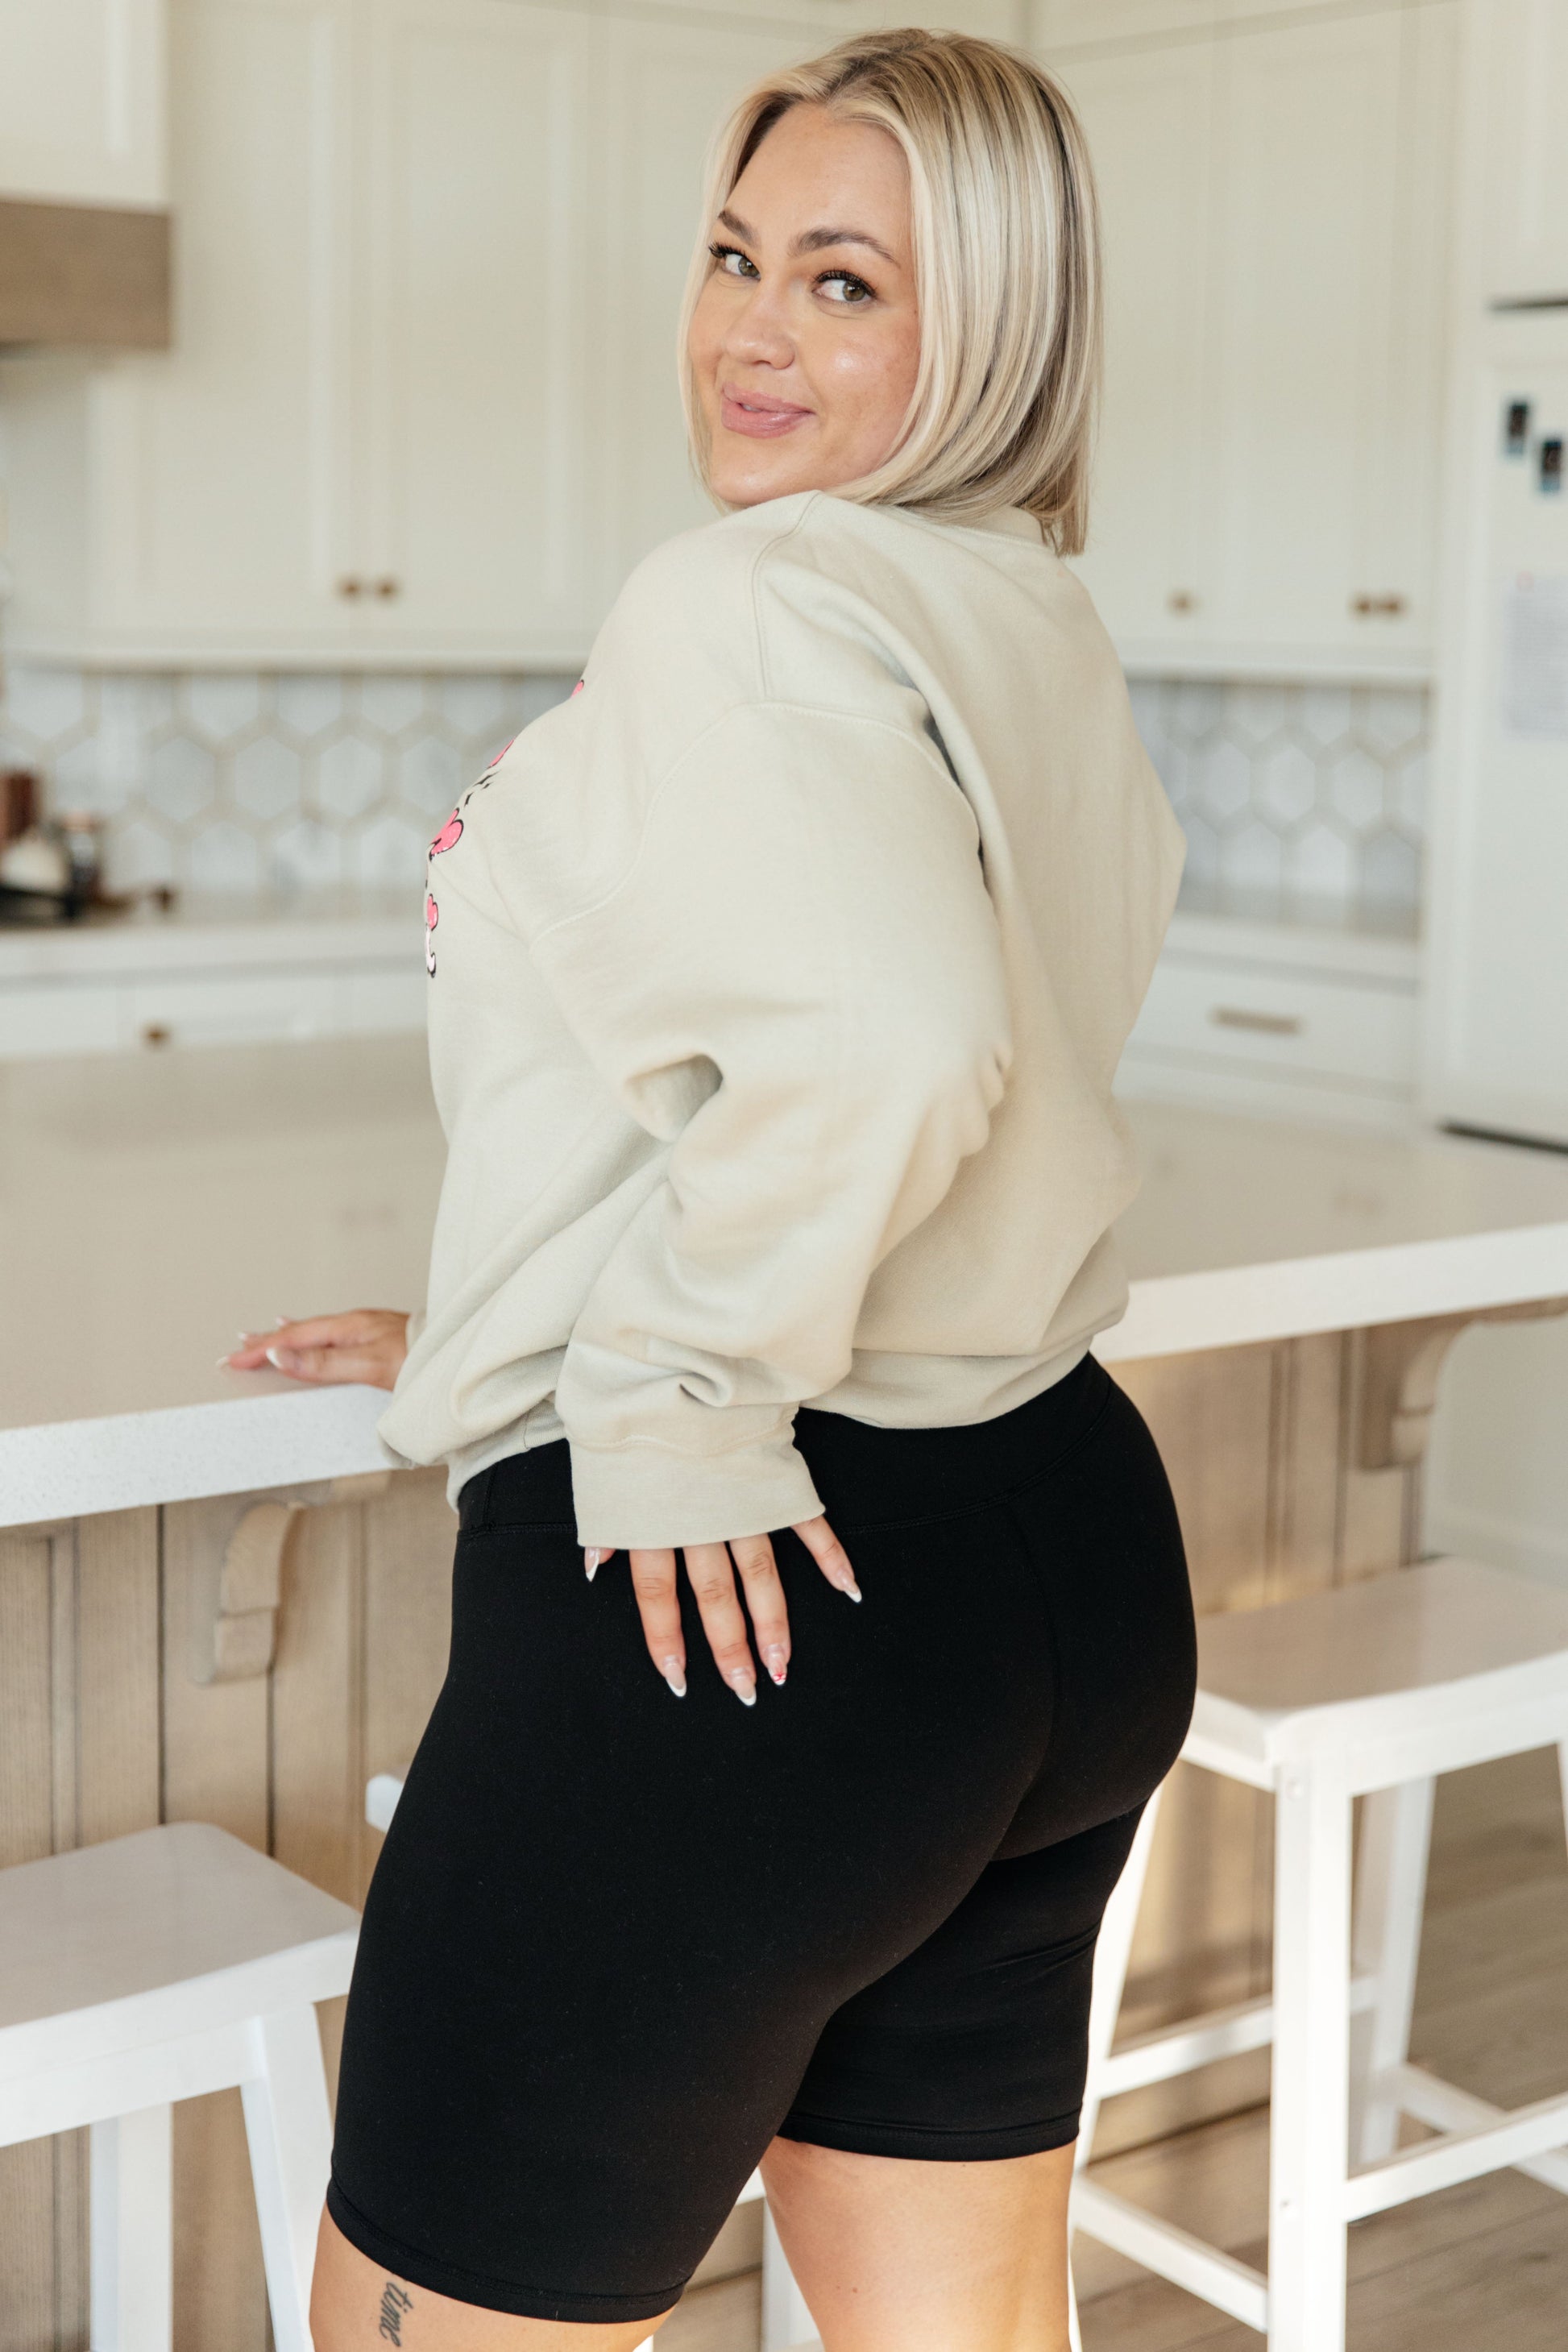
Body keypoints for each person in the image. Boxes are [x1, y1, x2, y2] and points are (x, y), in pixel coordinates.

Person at [230, 28, 1196, 2350]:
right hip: (1054, 1560)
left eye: (845, 283)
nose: (752, 331)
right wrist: (531, 1290)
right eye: (736, 257)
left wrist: (661, 1384)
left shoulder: (747, 598)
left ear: (993, 327)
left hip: (757, 1604)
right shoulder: (1012, 602)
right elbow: (874, 1056)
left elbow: (893, 1042)